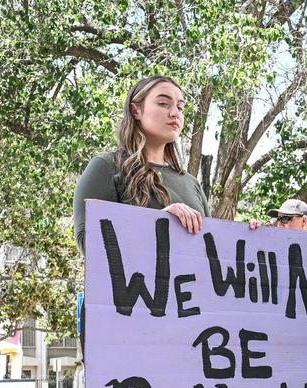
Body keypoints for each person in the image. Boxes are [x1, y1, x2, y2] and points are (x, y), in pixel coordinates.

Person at [72, 75, 208, 255]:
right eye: (163, 103)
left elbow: (213, 252)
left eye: (180, 107)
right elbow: (87, 242)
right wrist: (157, 224)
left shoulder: (191, 183)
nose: (175, 113)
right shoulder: (106, 166)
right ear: (136, 111)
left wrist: (252, 236)